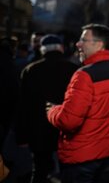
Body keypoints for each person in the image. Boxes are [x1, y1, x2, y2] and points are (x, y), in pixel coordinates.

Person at [46, 24, 109, 183]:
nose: (78, 44)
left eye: (83, 39)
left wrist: (52, 111)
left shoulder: (84, 75)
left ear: (98, 44)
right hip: (104, 153)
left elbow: (69, 121)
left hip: (80, 157)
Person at [16, 34, 78, 182]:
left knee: (39, 170)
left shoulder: (30, 70)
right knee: (68, 171)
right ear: (61, 49)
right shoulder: (74, 70)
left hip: (38, 129)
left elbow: (23, 106)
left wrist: (22, 136)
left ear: (42, 50)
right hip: (65, 128)